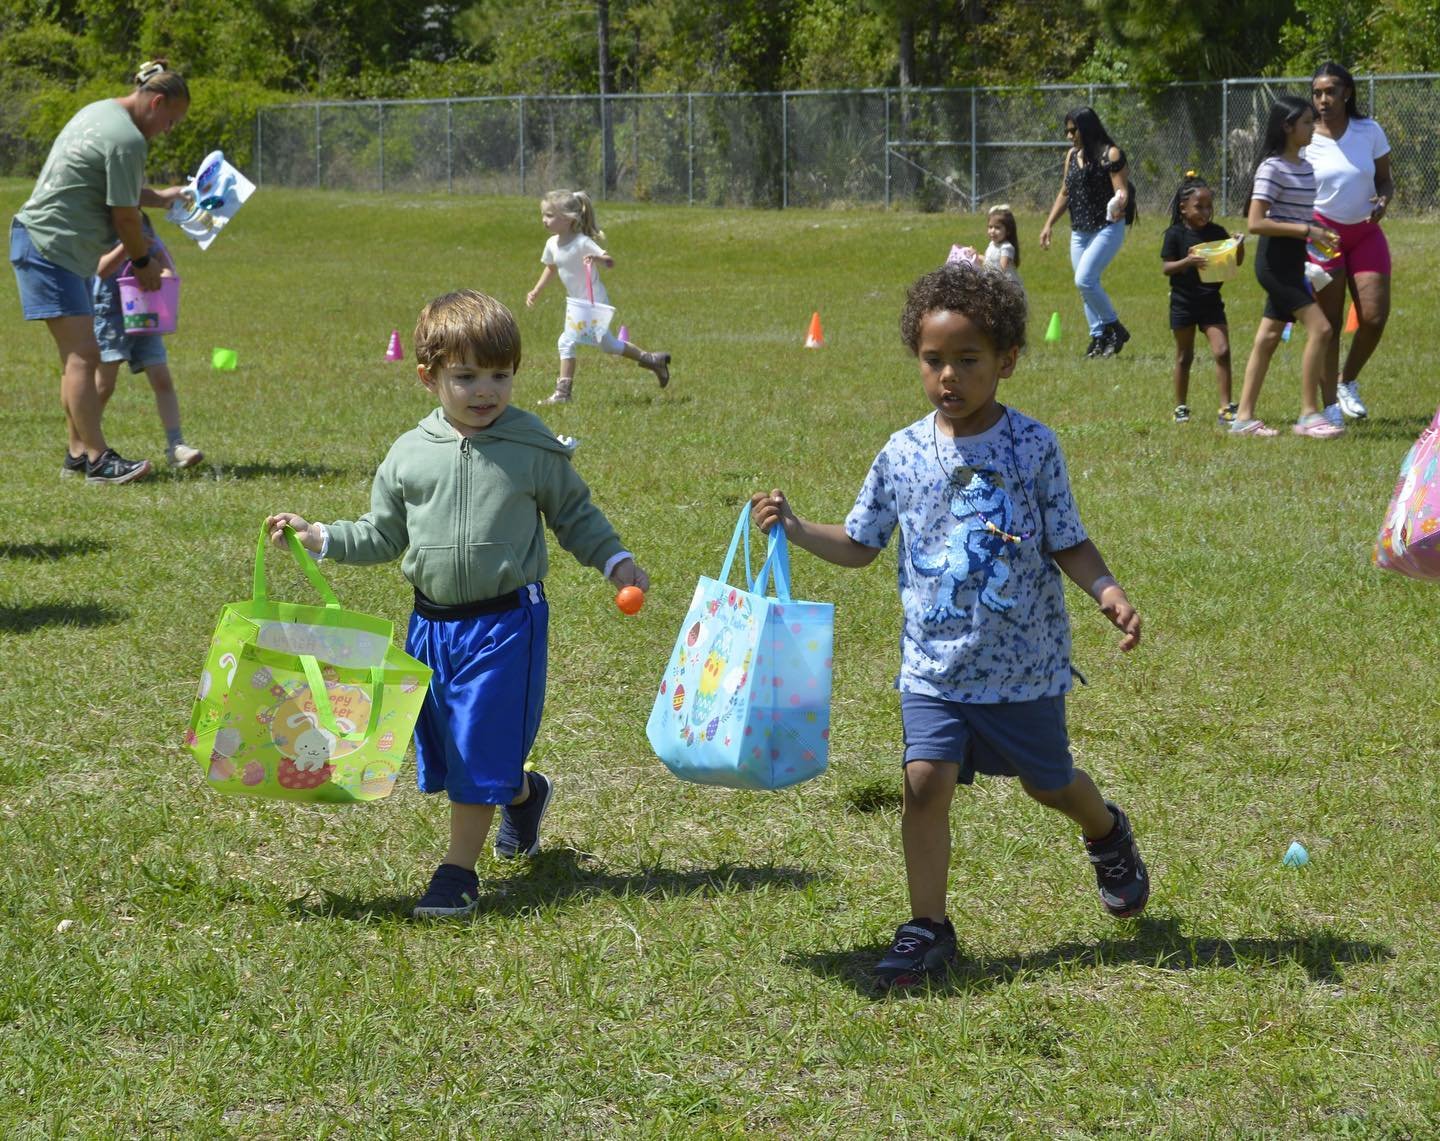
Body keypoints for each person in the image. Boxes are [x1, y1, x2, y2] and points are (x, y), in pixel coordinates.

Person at [750, 262, 1148, 990]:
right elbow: (863, 543)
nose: (949, 377)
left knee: (1050, 783)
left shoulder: (1034, 447)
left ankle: (1106, 831)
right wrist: (800, 529)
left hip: (1022, 666)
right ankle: (928, 925)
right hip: (933, 667)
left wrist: (1108, 590)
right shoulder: (901, 452)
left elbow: (1067, 539)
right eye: (934, 360)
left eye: (969, 360)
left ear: (1008, 361)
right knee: (924, 780)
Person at [265, 290, 650, 919]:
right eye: (466, 376)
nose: (485, 391)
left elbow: (576, 516)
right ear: (429, 377)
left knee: (477, 747)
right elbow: (382, 534)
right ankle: (524, 796)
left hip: (507, 626)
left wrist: (615, 561)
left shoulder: (533, 446)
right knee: (449, 748)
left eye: (500, 375)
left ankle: (457, 873)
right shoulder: (409, 455)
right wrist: (321, 537)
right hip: (431, 628)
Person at [9, 59, 189, 484]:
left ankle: (76, 453)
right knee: (83, 356)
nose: (168, 130)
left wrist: (161, 198)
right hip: (49, 247)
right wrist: (143, 262)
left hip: (47, 245)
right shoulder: (128, 139)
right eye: (170, 120)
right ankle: (97, 459)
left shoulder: (101, 112)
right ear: (157, 101)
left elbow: (111, 188)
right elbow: (124, 216)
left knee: (77, 356)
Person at [1230, 96, 1343, 439]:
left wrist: (1315, 238)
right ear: (1287, 126)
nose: (1313, 127)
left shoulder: (1306, 168)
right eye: (1307, 122)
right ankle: (1309, 414)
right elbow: (1256, 223)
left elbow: (1297, 216)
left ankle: (1243, 419)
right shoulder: (1272, 167)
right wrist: (1307, 231)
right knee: (1321, 329)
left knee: (1268, 337)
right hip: (1274, 262)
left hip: (1295, 259)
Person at [524, 189, 671, 405]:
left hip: (595, 302)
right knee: (608, 345)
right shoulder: (552, 244)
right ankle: (652, 360)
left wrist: (597, 258)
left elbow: (610, 261)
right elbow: (551, 268)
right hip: (577, 302)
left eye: (549, 215)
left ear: (567, 219)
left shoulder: (582, 242)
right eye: (543, 215)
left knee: (565, 342)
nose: (544, 220)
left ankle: (563, 394)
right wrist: (536, 290)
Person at [1307, 61, 1394, 425]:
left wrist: (1384, 201)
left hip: (1365, 231)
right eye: (1317, 93)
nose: (1323, 99)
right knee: (1329, 322)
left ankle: (1348, 381)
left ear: (1347, 92)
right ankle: (1329, 408)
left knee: (1374, 317)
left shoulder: (1368, 130)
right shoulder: (1303, 134)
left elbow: (1385, 180)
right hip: (1322, 233)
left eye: (1330, 91)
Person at [85, 213, 203, 473]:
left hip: (146, 311)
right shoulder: (104, 225)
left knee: (162, 378)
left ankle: (176, 446)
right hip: (112, 314)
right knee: (103, 385)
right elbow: (101, 269)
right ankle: (83, 445)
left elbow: (166, 263)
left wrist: (163, 270)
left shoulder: (142, 221)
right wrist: (129, 245)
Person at [1038, 107, 1134, 358]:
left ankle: (1115, 327)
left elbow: (1121, 191)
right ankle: (1099, 338)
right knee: (1086, 286)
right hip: (1079, 231)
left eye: (1074, 130)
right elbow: (1065, 192)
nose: (1069, 135)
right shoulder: (1072, 156)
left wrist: (1117, 203)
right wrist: (1049, 224)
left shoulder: (1109, 153)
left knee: (1084, 279)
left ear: (1087, 127)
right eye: (1067, 130)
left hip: (1107, 227)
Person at [1160, 171, 1244, 425]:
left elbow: (1234, 262)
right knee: (1185, 356)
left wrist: (1238, 246)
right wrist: (1187, 261)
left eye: (1209, 206)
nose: (1206, 212)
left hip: (1210, 301)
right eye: (1199, 207)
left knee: (1223, 351)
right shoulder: (1174, 234)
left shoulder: (1217, 231)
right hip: (1183, 302)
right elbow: (1167, 268)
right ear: (1183, 208)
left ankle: (1225, 407)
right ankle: (1181, 407)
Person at [982, 204, 1022, 282]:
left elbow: (1002, 269)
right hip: (994, 281)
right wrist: (975, 255)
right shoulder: (992, 244)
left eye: (997, 228)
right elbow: (988, 261)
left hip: (1005, 286)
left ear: (1008, 231)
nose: (992, 231)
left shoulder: (1006, 247)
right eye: (990, 227)